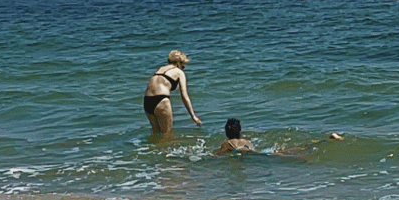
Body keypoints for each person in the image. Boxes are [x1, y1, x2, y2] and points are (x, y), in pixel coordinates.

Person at [143, 50, 202, 134]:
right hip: (161, 100)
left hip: (147, 101)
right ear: (178, 63)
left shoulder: (160, 69)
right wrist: (193, 116)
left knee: (156, 134)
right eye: (183, 66)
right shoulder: (179, 72)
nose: (183, 68)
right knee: (167, 135)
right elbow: (184, 96)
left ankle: (154, 147)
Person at [215, 118, 343, 156]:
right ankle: (326, 139)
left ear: (227, 132)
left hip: (259, 156)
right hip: (263, 152)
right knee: (295, 149)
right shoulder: (245, 140)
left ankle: (326, 140)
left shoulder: (227, 143)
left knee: (289, 155)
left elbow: (218, 155)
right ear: (240, 131)